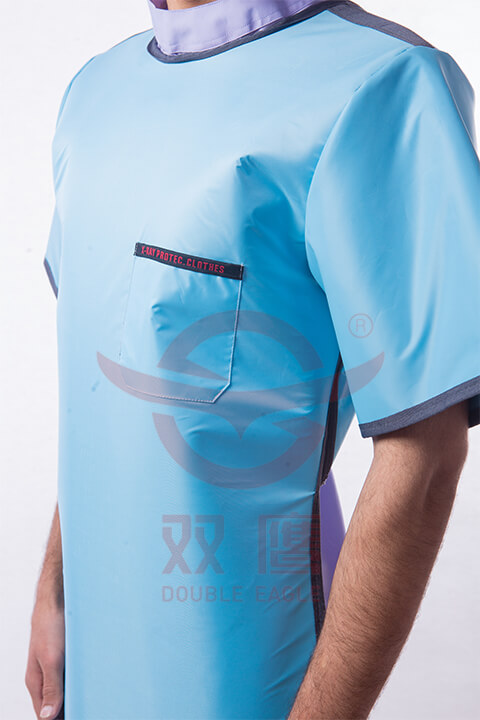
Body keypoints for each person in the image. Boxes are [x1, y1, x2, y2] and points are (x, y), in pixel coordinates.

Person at [26, 0, 480, 718]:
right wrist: (54, 587)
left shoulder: (383, 86)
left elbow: (423, 454)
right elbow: (105, 387)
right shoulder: (95, 92)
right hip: (94, 665)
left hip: (246, 676)